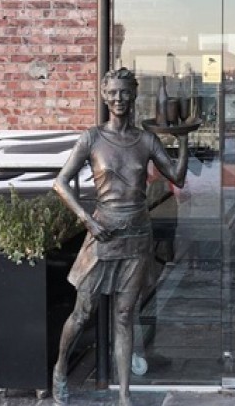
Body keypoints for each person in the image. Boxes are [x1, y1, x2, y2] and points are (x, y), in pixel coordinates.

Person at [51, 68, 190, 406]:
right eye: (113, 93)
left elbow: (178, 178)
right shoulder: (92, 138)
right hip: (103, 235)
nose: (119, 99)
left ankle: (125, 394)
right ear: (104, 95)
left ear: (134, 95)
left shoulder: (146, 140)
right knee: (83, 311)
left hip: (138, 236)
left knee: (125, 315)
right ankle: (59, 368)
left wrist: (183, 140)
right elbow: (60, 183)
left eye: (125, 93)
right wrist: (87, 220)